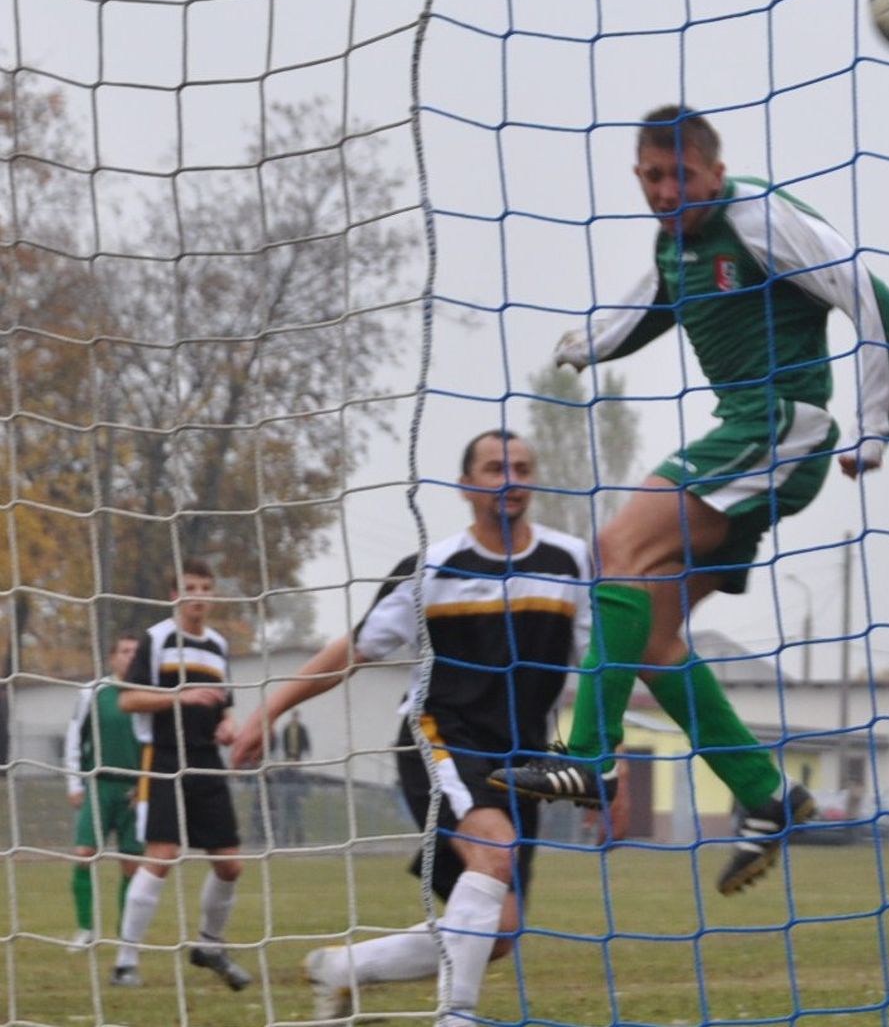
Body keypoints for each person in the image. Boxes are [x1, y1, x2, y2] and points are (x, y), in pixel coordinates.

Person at [492, 104, 889, 897]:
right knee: (651, 636)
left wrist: (875, 427)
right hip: (749, 438)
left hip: (781, 428)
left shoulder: (761, 219)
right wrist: (588, 346)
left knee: (613, 549)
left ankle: (590, 758)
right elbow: (651, 301)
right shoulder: (674, 240)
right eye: (652, 176)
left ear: (714, 172)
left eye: (680, 175)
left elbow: (874, 298)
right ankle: (766, 793)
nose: (665, 190)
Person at [231, 430, 591, 1026]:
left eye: (523, 467)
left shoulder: (570, 561)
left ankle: (344, 967)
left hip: (523, 759)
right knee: (495, 852)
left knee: (500, 931)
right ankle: (457, 1016)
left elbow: (603, 663)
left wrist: (606, 756)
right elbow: (352, 651)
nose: (511, 478)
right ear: (466, 485)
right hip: (440, 734)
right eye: (495, 467)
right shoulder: (433, 568)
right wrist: (268, 711)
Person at [112, 558, 251, 991]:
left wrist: (228, 725)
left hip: (207, 759)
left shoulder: (218, 645)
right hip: (164, 757)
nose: (199, 596)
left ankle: (209, 946)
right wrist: (180, 696)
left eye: (206, 588)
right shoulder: (157, 639)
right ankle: (125, 962)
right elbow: (128, 700)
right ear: (175, 595)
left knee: (230, 865)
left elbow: (223, 705)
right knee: (162, 854)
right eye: (191, 588)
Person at [63, 634, 144, 947]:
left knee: (132, 864)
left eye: (136, 651)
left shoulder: (149, 694)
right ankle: (86, 930)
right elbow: (75, 737)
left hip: (136, 789)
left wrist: (147, 786)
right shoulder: (93, 692)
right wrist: (74, 782)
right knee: (84, 854)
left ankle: (127, 936)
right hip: (99, 784)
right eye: (125, 650)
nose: (130, 656)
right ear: (112, 657)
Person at [273, 713, 313, 847]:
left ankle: (299, 841)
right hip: (286, 800)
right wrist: (279, 794)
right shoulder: (283, 773)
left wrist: (303, 796)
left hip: (295, 801)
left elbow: (306, 786)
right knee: (284, 820)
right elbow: (276, 782)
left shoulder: (300, 775)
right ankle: (285, 841)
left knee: (297, 820)